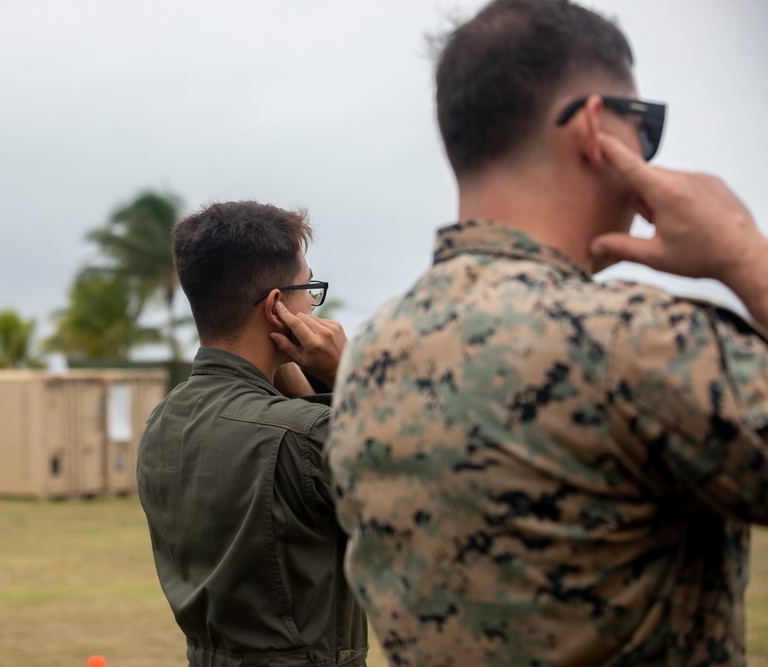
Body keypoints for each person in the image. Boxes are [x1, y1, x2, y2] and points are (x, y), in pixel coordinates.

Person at [326, 0, 768, 664]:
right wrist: (743, 253)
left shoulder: (369, 356)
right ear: (596, 129)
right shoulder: (636, 342)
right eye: (645, 126)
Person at [136, 201, 369, 666]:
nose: (313, 305)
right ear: (277, 307)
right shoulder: (306, 436)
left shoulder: (162, 421)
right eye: (308, 289)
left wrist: (276, 372)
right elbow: (439, 482)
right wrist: (349, 376)